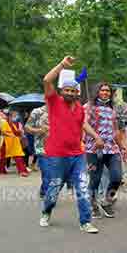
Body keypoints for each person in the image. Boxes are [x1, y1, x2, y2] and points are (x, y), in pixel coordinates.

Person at [39, 56, 104, 234]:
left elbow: (83, 124)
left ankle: (85, 221)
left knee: (83, 187)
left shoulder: (79, 109)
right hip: (57, 155)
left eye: (73, 90)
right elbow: (46, 80)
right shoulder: (54, 102)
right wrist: (62, 65)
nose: (70, 93)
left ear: (77, 93)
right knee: (54, 187)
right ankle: (46, 211)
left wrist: (96, 136)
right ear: (61, 91)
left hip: (77, 155)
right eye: (66, 90)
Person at [84, 82, 127, 219]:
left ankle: (106, 201)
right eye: (102, 90)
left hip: (112, 148)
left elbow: (115, 130)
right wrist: (96, 137)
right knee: (95, 180)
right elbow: (83, 124)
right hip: (94, 148)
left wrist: (122, 145)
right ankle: (93, 205)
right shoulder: (88, 107)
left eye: (108, 91)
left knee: (117, 177)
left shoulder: (113, 108)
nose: (105, 93)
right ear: (97, 92)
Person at [25, 105, 50, 199]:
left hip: (58, 148)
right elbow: (27, 127)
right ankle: (47, 194)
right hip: (42, 147)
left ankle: (44, 189)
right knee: (47, 172)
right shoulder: (37, 111)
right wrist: (39, 130)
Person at [0, 110, 29, 177]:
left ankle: (22, 170)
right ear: (9, 116)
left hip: (14, 142)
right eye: (14, 116)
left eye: (16, 116)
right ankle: (2, 170)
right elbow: (3, 132)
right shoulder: (4, 122)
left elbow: (16, 133)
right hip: (6, 142)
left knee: (18, 156)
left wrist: (19, 132)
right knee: (3, 157)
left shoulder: (14, 124)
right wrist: (11, 135)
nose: (15, 117)